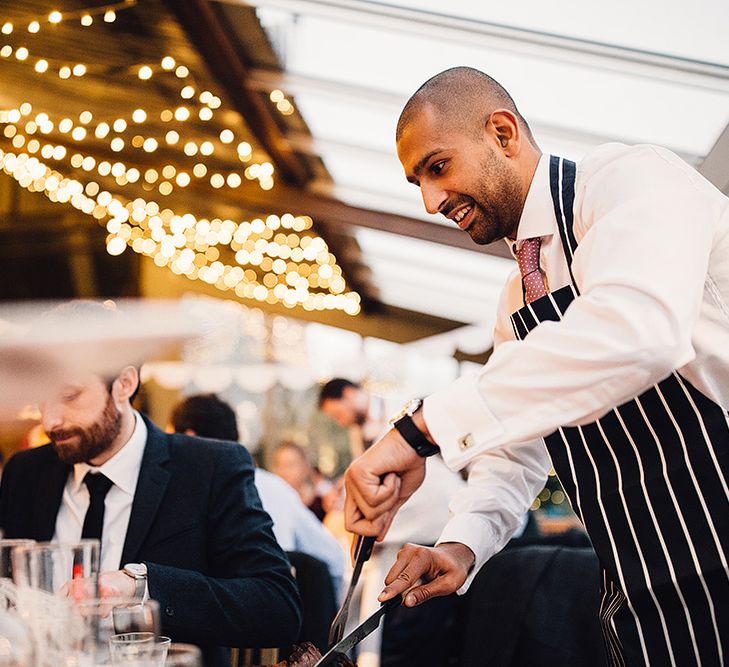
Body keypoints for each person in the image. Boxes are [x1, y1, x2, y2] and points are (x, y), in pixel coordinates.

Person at [344, 66, 729, 666]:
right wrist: (459, 545)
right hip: (637, 587)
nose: (430, 200)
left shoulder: (632, 181)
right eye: (417, 181)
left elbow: (639, 330)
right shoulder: (515, 299)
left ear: (503, 132)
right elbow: (517, 450)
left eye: (438, 167)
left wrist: (421, 431)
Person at [0, 353, 301, 667]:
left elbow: (277, 608)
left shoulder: (209, 467)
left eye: (68, 396)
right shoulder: (25, 473)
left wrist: (140, 585)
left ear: (125, 384)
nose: (50, 421)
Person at [168, 393, 346, 598]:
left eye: (170, 438)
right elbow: (332, 557)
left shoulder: (185, 498)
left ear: (189, 437)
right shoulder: (274, 487)